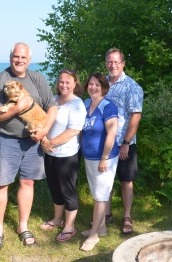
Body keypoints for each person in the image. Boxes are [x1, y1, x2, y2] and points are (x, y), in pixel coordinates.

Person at [0, 42, 57, 251]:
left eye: (24, 58)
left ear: (29, 60)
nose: (20, 60)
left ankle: (22, 226)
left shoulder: (38, 79)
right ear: (10, 57)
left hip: (33, 142)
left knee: (28, 183)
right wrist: (16, 108)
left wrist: (44, 131)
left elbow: (51, 106)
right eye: (16, 57)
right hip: (6, 140)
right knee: (1, 184)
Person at [39, 69, 87, 242]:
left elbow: (74, 130)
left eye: (68, 82)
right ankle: (57, 220)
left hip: (67, 155)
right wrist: (44, 139)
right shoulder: (52, 99)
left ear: (75, 83)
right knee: (54, 187)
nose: (64, 85)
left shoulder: (77, 104)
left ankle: (70, 226)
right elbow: (41, 120)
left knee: (68, 190)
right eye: (61, 81)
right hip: (49, 153)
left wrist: (50, 143)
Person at [104, 47, 143, 235]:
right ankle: (107, 214)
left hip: (123, 143)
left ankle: (127, 217)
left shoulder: (132, 86)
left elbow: (135, 116)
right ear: (106, 63)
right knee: (106, 180)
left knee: (126, 180)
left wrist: (126, 142)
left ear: (123, 63)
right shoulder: (101, 83)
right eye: (110, 62)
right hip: (104, 143)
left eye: (116, 62)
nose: (113, 65)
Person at [80, 73, 119, 252]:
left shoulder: (108, 106)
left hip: (105, 158)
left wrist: (104, 158)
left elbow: (111, 133)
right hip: (89, 156)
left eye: (97, 84)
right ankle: (101, 228)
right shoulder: (86, 103)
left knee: (101, 196)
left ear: (103, 86)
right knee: (97, 193)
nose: (93, 87)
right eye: (90, 84)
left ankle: (94, 235)